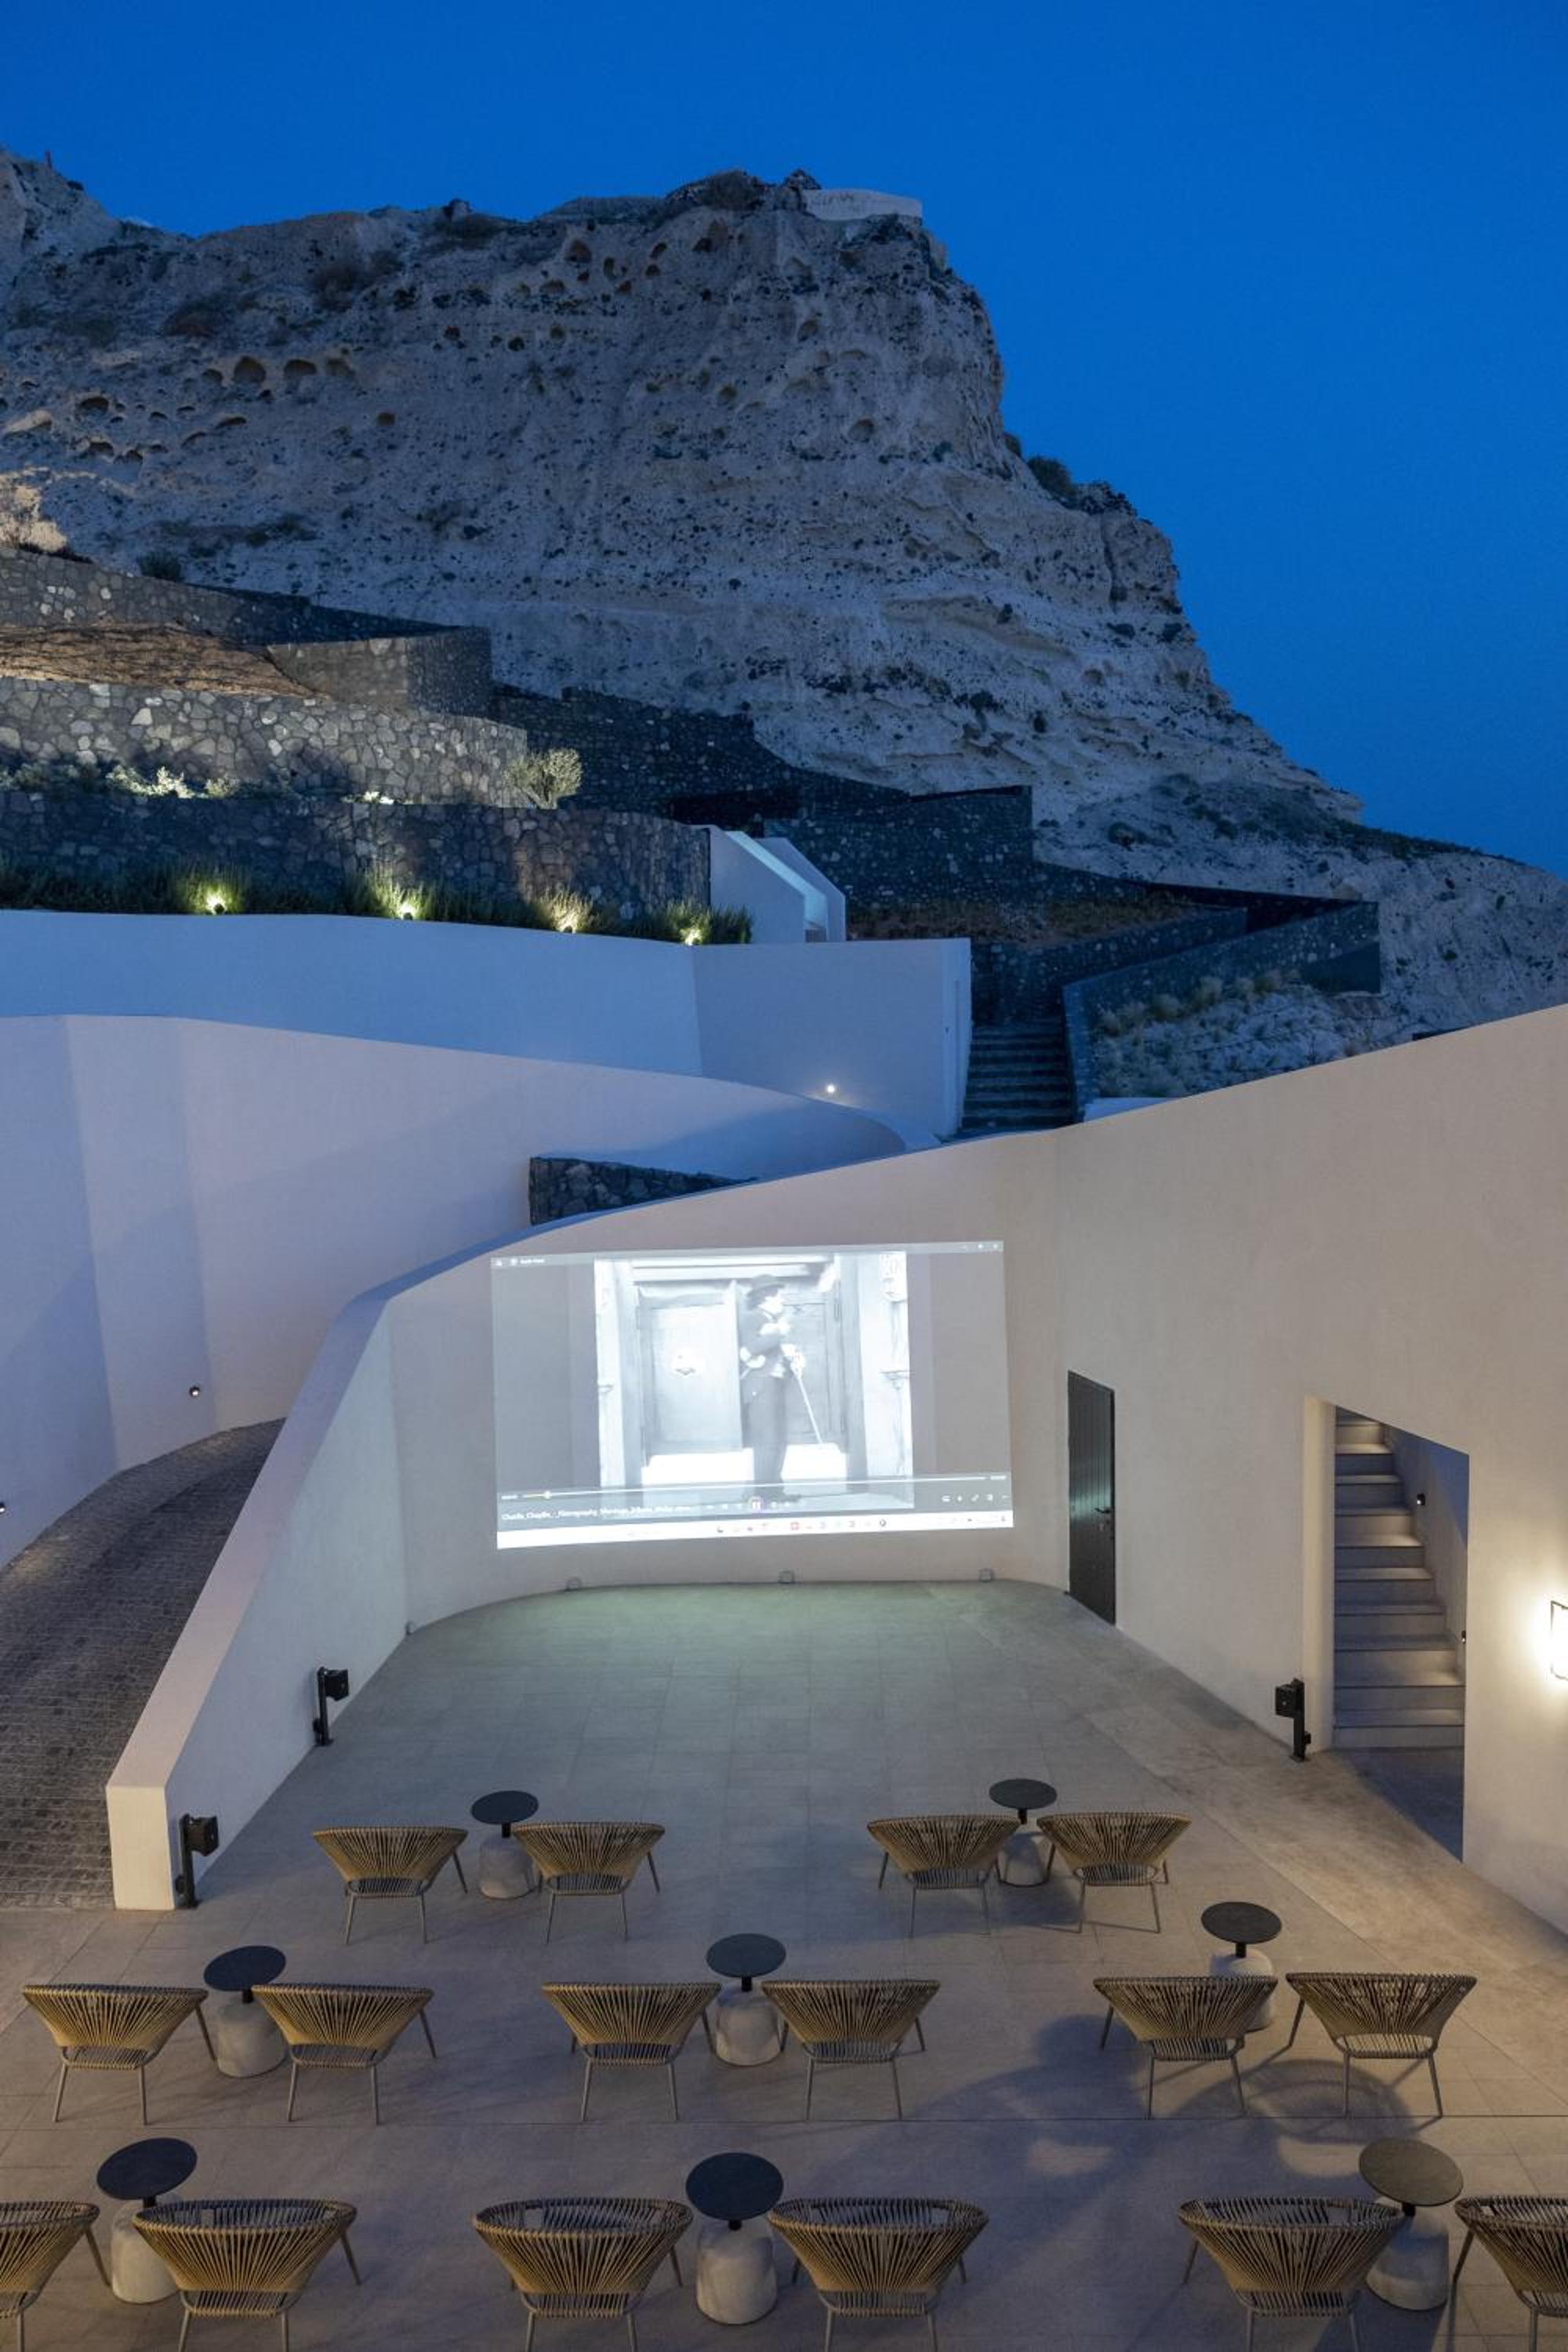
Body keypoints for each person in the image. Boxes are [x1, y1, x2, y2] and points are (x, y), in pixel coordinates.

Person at [738, 1280, 797, 1500]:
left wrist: (791, 1358)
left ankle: (775, 1491)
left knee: (779, 1440)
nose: (783, 1300)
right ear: (767, 1298)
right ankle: (763, 1494)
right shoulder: (753, 1318)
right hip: (761, 1387)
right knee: (767, 1441)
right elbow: (750, 1349)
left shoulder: (772, 1321)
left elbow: (773, 1353)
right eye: (779, 1296)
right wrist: (779, 1334)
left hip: (775, 1384)